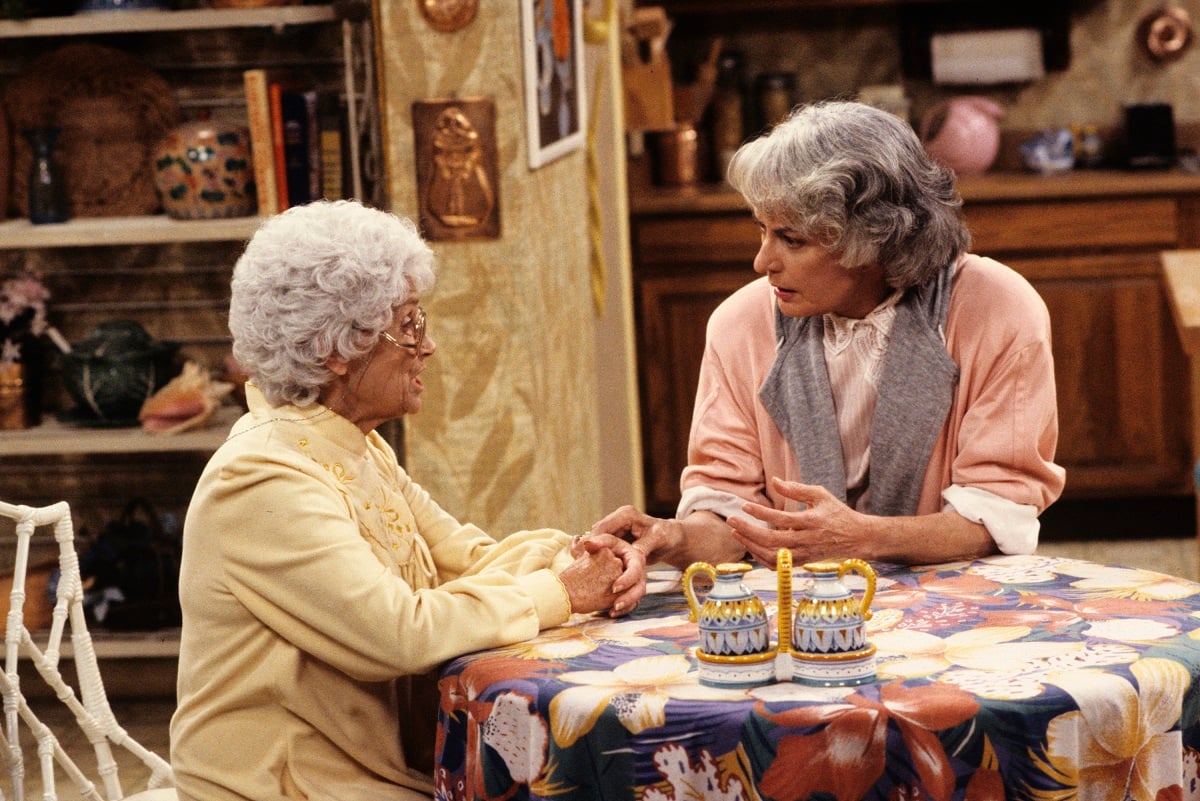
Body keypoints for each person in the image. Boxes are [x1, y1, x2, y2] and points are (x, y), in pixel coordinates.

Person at [169, 200, 647, 801]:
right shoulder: (263, 479)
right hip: (288, 788)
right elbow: (399, 634)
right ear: (336, 349)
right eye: (411, 326)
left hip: (374, 777)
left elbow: (468, 558)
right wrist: (563, 592)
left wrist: (577, 557)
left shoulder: (352, 446)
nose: (429, 347)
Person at [595, 100, 1065, 569]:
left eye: (791, 239)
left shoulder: (998, 310)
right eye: (762, 230)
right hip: (808, 608)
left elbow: (995, 514)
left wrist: (864, 538)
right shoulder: (738, 325)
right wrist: (670, 537)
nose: (763, 263)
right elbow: (731, 518)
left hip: (954, 596)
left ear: (871, 237)